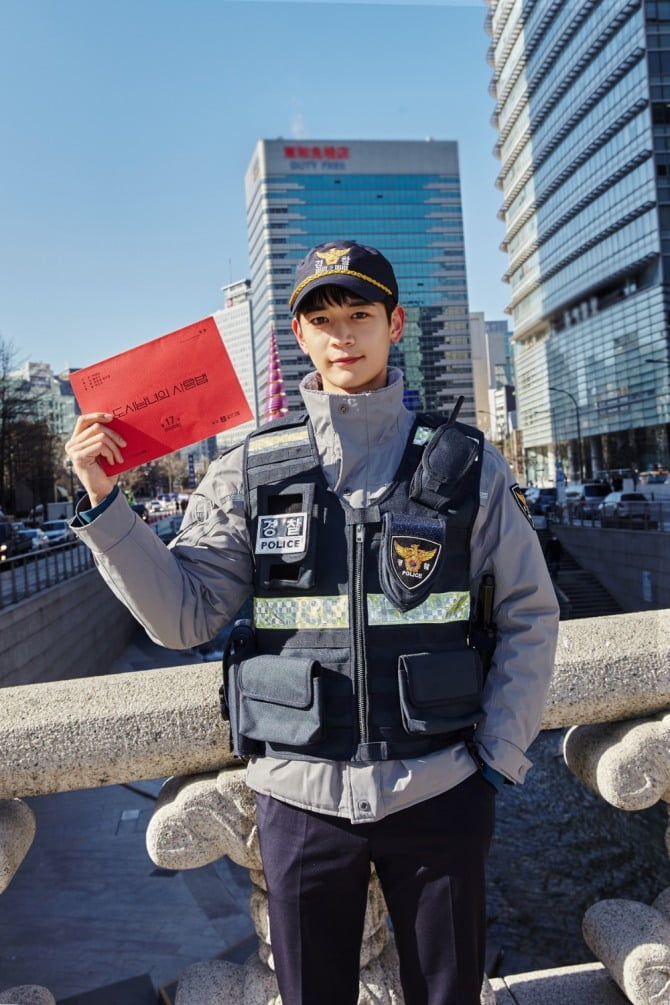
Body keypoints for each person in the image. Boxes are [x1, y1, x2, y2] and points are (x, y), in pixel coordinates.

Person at [65, 240, 559, 1005]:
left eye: (360, 314)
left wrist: (496, 756)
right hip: (298, 802)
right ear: (298, 335)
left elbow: (531, 611)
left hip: (439, 790)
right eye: (321, 318)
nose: (342, 334)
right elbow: (184, 614)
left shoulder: (466, 464)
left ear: (394, 324)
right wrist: (104, 506)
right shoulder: (252, 467)